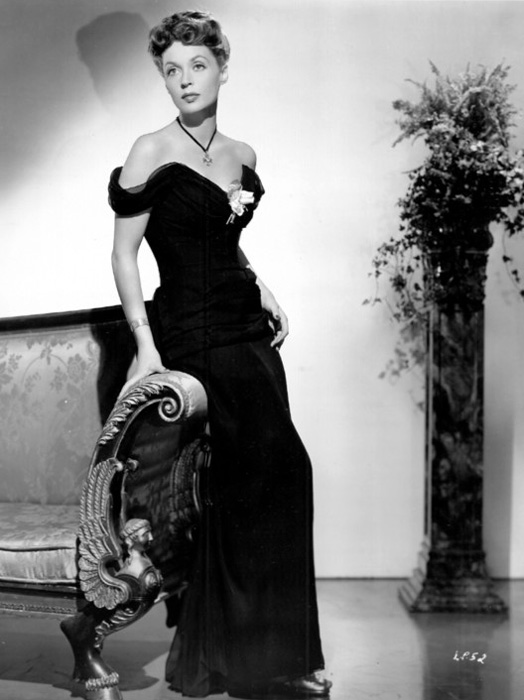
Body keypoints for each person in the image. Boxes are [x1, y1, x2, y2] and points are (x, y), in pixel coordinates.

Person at [108, 10, 331, 700]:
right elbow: (124, 255)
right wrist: (146, 345)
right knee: (259, 471)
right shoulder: (150, 150)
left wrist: (262, 285)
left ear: (222, 68)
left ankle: (269, 656)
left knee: (278, 473)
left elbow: (224, 244)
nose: (185, 80)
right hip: (192, 331)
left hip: (244, 325)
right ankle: (248, 659)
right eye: (171, 70)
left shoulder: (243, 155)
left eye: (197, 66)